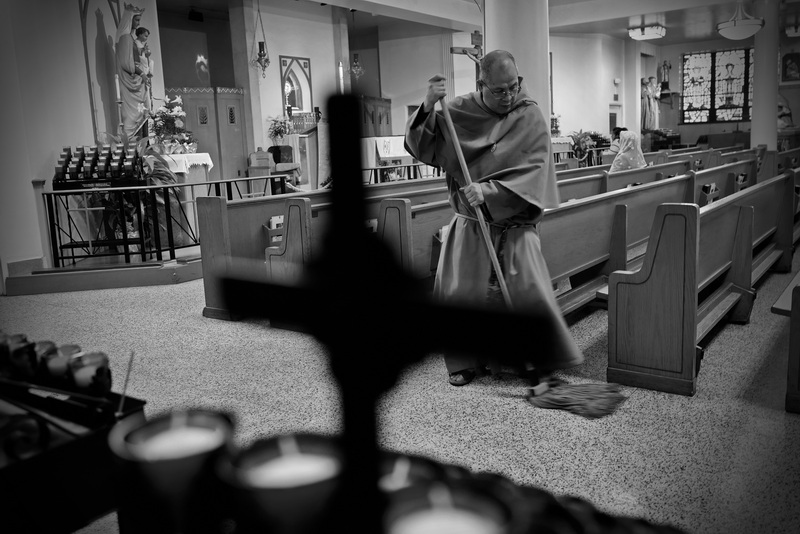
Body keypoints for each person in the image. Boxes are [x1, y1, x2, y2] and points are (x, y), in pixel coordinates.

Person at [404, 50, 584, 388]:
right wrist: (427, 106)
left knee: (530, 293)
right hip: (471, 222)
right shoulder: (458, 110)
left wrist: (490, 191)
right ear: (481, 84)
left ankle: (532, 360)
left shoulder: (528, 114)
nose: (509, 96)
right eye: (499, 90)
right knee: (462, 294)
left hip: (516, 221)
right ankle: (465, 362)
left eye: (514, 86)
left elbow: (536, 169)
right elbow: (420, 143)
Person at [115, 4, 148, 139]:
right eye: (136, 20)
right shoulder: (126, 38)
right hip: (130, 83)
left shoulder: (130, 38)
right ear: (129, 19)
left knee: (137, 114)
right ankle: (128, 145)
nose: (138, 23)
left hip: (135, 81)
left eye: (139, 20)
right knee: (130, 116)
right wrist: (141, 73)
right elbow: (127, 64)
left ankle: (135, 146)